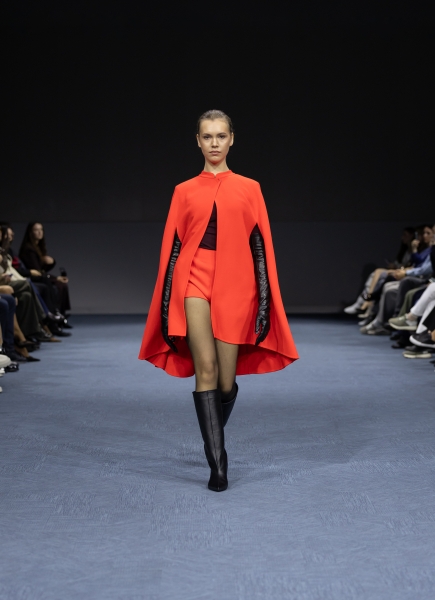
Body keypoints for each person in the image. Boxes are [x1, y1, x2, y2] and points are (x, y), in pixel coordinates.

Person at [139, 110, 298, 492]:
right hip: (193, 279)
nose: (214, 143)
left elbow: (261, 247)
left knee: (226, 383)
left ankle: (211, 432)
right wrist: (167, 304)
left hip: (237, 284)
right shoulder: (183, 190)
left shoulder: (250, 187)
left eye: (221, 136)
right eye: (207, 136)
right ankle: (218, 464)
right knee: (205, 369)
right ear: (197, 141)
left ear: (231, 139)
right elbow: (171, 248)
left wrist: (264, 301)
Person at [19, 222, 71, 317]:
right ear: (30, 232)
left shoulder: (38, 247)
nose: (40, 232)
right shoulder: (28, 249)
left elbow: (42, 270)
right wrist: (55, 278)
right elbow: (38, 271)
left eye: (41, 229)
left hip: (40, 276)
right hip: (33, 277)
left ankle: (61, 314)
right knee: (58, 284)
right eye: (36, 230)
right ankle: (55, 312)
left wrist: (52, 262)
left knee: (62, 285)